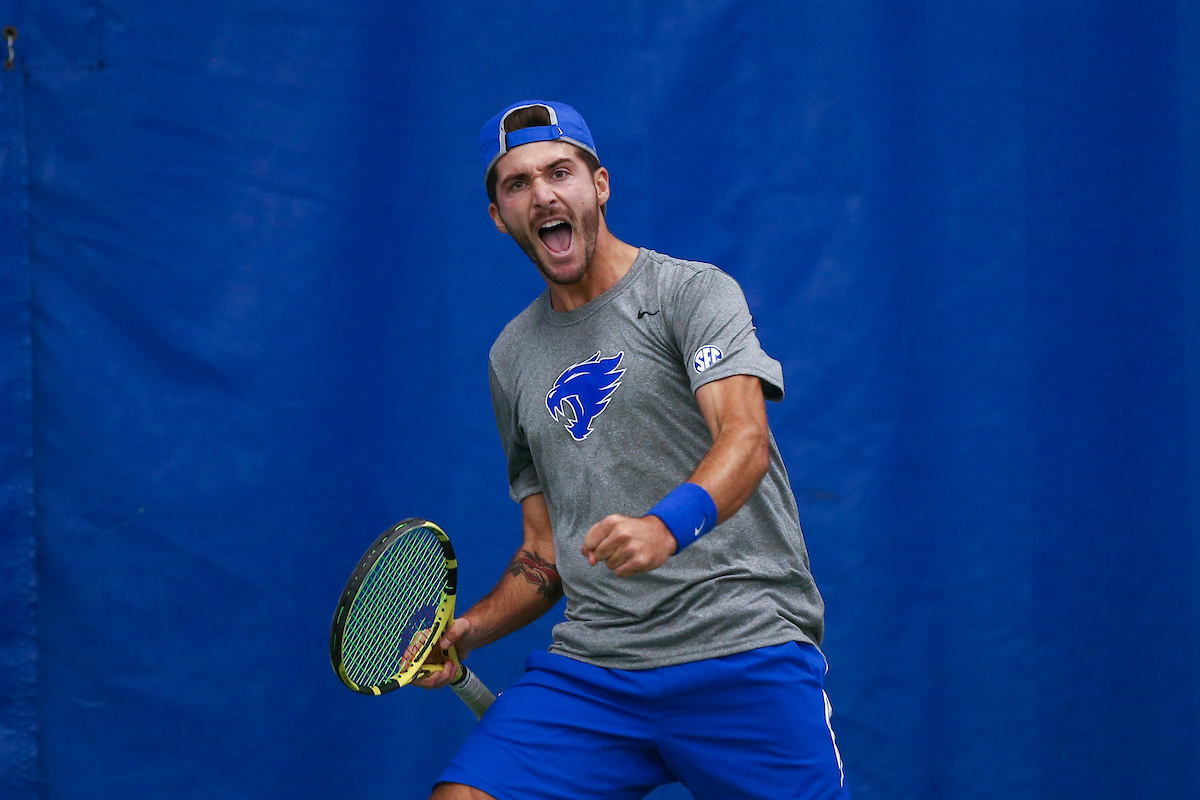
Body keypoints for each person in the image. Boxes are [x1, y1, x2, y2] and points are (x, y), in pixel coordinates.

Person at [419, 100, 849, 800]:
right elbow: (543, 552)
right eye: (518, 183)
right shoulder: (511, 357)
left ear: (600, 186)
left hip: (740, 643)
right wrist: (470, 629)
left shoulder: (691, 292)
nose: (543, 194)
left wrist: (664, 527)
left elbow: (744, 438)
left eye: (560, 172)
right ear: (499, 215)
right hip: (598, 667)